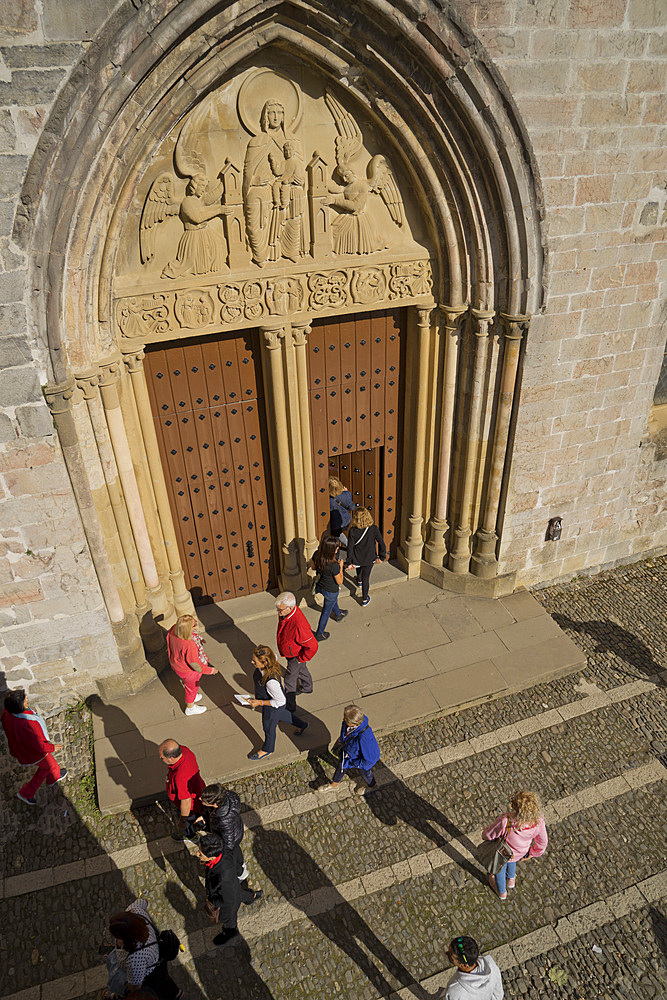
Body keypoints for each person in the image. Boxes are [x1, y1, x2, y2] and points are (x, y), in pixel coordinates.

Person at [195, 783, 263, 901]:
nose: (200, 799)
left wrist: (223, 857)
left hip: (231, 839)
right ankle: (241, 870)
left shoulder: (224, 820)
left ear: (215, 804)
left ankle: (241, 873)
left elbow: (229, 843)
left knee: (233, 858)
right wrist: (205, 817)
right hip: (235, 831)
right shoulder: (226, 798)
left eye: (204, 799)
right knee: (236, 855)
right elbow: (210, 810)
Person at [106, 898, 185, 999]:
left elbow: (135, 986)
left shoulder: (135, 958)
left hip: (151, 970)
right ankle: (176, 995)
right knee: (164, 981)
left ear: (127, 937)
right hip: (156, 955)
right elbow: (144, 901)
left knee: (160, 986)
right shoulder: (135, 910)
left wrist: (125, 985)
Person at [1, 688, 67, 805]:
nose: (27, 699)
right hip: (32, 753)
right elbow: (38, 745)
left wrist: (30, 711)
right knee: (48, 766)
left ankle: (53, 778)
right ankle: (27, 793)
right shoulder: (28, 724)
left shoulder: (7, 713)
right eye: (24, 700)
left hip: (19, 748)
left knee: (50, 766)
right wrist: (52, 748)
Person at [197, 833, 262, 947]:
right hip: (233, 886)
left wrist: (213, 902)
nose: (197, 853)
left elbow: (228, 900)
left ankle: (230, 932)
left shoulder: (223, 878)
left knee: (228, 918)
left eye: (200, 853)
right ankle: (252, 896)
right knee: (238, 892)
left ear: (212, 857)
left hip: (229, 899)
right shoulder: (225, 852)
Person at [243, 645, 307, 760]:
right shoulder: (269, 662)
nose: (251, 661)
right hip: (274, 705)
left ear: (265, 663)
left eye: (255, 661)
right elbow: (274, 656)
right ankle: (302, 725)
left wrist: (259, 703)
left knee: (268, 727)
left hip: (273, 708)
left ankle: (267, 749)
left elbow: (280, 701)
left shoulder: (271, 682)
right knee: (285, 715)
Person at [482, 790, 548, 900]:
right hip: (520, 852)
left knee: (499, 870)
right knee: (512, 861)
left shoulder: (506, 821)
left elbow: (489, 834)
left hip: (503, 852)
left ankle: (502, 892)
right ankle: (511, 880)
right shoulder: (538, 821)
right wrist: (532, 853)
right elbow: (542, 842)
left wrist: (484, 834)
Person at [318, 704, 380, 795]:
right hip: (347, 753)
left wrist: (355, 764)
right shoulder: (347, 722)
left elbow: (370, 759)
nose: (343, 720)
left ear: (355, 724)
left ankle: (373, 786)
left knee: (365, 773)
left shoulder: (365, 737)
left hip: (356, 758)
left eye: (346, 719)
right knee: (341, 766)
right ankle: (334, 785)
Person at [166, 614, 218, 716]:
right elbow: (196, 666)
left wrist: (199, 639)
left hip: (177, 664)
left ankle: (192, 697)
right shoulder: (189, 646)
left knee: (189, 686)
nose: (196, 623)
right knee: (192, 689)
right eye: (193, 625)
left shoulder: (173, 629)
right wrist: (211, 671)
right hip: (189, 672)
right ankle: (190, 708)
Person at [275, 591, 318, 712]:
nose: (278, 612)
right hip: (293, 654)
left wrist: (302, 658)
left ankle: (290, 707)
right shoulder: (285, 614)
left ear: (290, 608)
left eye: (280, 610)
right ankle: (307, 686)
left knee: (289, 681)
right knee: (302, 669)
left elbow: (313, 646)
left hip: (295, 656)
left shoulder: (299, 624)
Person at [158, 739, 205, 841]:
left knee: (188, 824)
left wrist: (183, 820)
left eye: (161, 758)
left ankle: (190, 835)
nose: (160, 758)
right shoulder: (184, 750)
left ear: (171, 758)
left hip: (192, 807)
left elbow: (186, 801)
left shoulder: (180, 777)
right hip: (198, 791)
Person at [346, 506, 387, 607]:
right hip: (369, 557)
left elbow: (350, 548)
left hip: (357, 557)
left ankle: (358, 581)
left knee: (359, 568)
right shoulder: (374, 529)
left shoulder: (352, 531)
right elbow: (381, 543)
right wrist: (382, 557)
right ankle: (364, 599)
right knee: (366, 577)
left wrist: (349, 561)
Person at [312, 535, 348, 641]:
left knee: (331, 602)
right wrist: (340, 567)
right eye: (337, 547)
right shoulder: (334, 565)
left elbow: (313, 567)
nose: (338, 549)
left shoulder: (316, 555)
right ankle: (319, 633)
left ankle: (338, 614)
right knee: (326, 611)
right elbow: (340, 582)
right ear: (331, 550)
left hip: (321, 585)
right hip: (331, 589)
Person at [328, 475, 355, 545]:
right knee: (339, 534)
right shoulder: (347, 494)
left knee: (336, 538)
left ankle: (338, 552)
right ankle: (349, 546)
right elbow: (352, 508)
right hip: (346, 521)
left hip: (334, 525)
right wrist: (346, 492)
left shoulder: (328, 499)